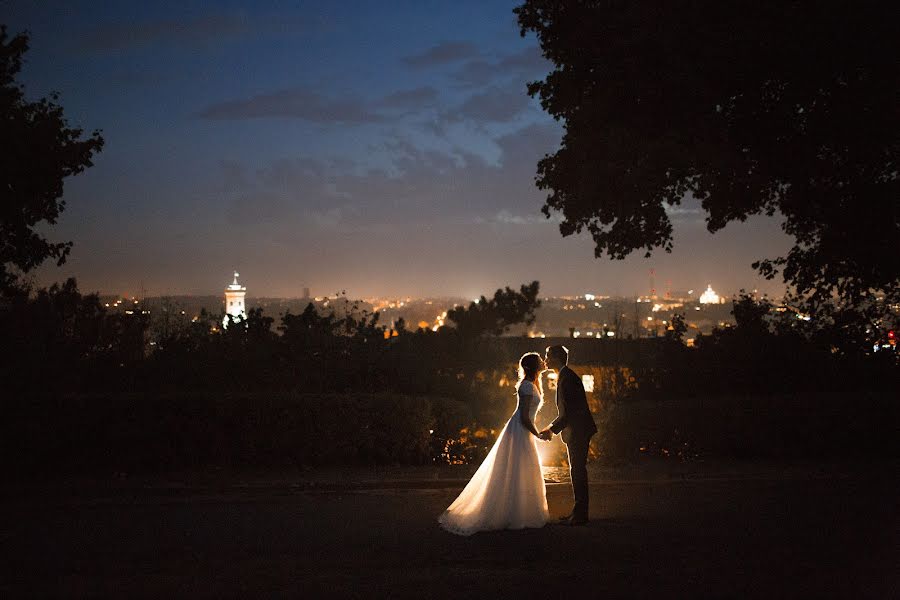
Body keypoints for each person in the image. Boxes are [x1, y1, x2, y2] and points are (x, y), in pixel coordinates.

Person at [438, 352, 550, 536]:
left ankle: (522, 512)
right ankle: (512, 513)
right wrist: (537, 434)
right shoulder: (527, 387)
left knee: (522, 469)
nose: (543, 362)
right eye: (540, 360)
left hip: (522, 430)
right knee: (517, 469)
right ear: (532, 366)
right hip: (520, 430)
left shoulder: (532, 385)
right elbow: (523, 417)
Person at [539, 345, 598, 526]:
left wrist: (550, 430)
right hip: (577, 430)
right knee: (576, 471)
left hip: (578, 431)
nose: (545, 359)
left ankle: (581, 515)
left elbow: (569, 413)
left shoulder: (567, 379)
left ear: (556, 357)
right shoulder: (565, 377)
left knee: (578, 471)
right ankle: (578, 512)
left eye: (548, 356)